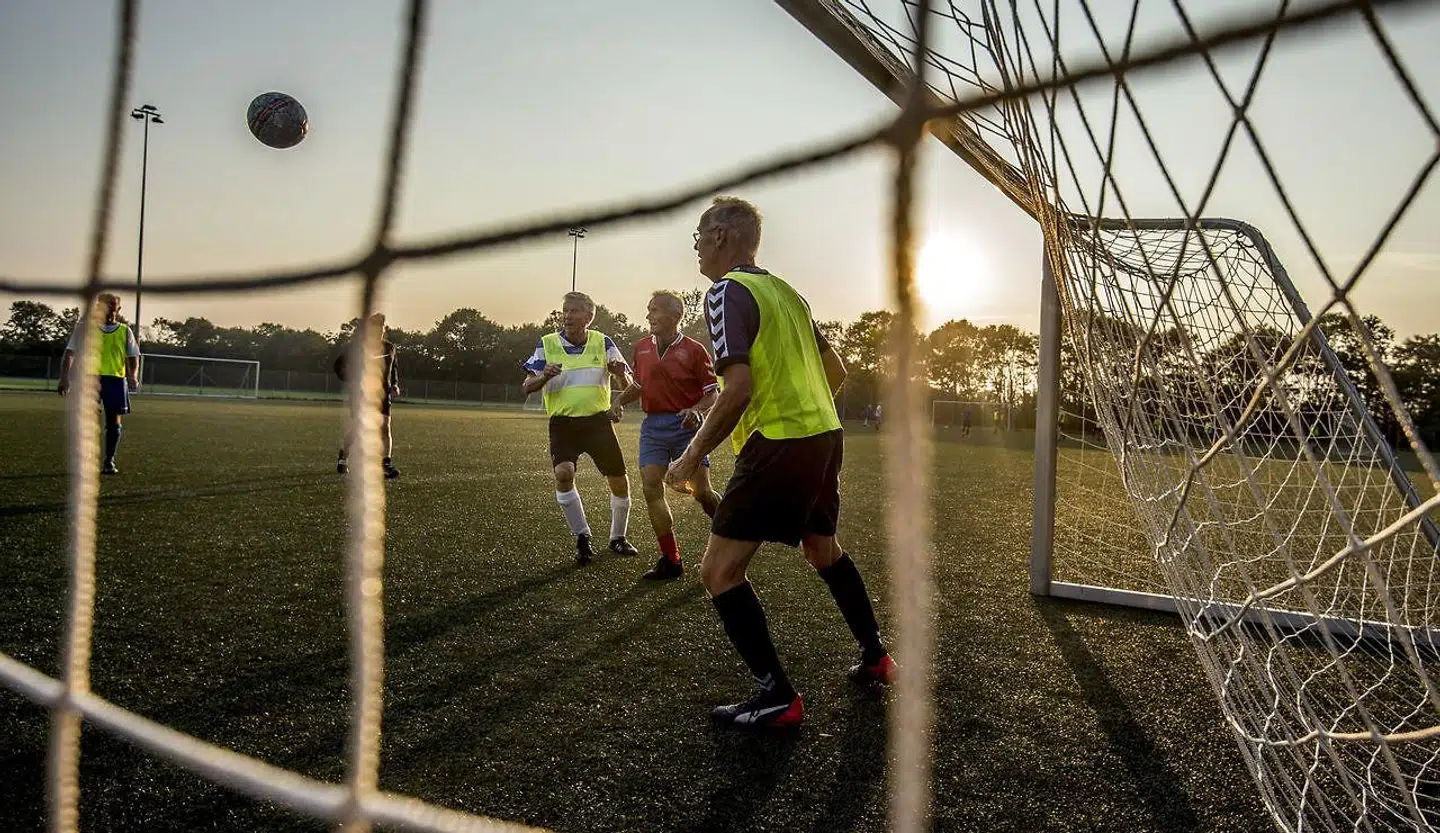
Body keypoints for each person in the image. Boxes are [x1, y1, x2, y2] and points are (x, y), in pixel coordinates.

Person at [666, 197, 895, 729]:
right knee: (822, 550)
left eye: (700, 235)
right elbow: (833, 370)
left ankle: (777, 696)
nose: (697, 246)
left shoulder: (725, 291)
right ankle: (876, 655)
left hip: (779, 443)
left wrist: (690, 456)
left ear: (722, 236)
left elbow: (739, 387)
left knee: (719, 572)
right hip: (824, 436)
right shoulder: (788, 293)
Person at [522, 291, 641, 565]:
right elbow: (527, 386)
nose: (567, 316)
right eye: (565, 310)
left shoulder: (604, 342)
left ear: (589, 317)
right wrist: (543, 376)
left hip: (598, 422)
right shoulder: (547, 343)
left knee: (619, 480)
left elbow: (630, 387)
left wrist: (620, 372)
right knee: (564, 473)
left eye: (574, 311)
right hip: (563, 424)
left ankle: (617, 537)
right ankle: (582, 536)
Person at [611, 290, 721, 581]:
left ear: (674, 316)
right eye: (648, 310)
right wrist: (619, 401)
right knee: (651, 488)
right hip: (653, 429)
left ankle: (731, 533)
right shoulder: (642, 347)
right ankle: (671, 560)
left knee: (703, 494)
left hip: (687, 430)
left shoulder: (696, 350)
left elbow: (713, 395)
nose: (648, 316)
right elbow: (639, 385)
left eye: (654, 310)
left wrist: (696, 411)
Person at [57, 293, 140, 475]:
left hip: (116, 381)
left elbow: (133, 357)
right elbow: (70, 353)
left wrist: (133, 376)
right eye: (104, 304)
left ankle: (109, 460)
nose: (109, 308)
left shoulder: (125, 331)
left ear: (118, 308)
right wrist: (64, 377)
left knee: (114, 422)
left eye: (112, 305)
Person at [333, 312, 402, 480]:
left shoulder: (390, 348)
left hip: (383, 395)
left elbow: (393, 370)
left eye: (381, 328)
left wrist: (395, 384)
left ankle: (385, 464)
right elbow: (339, 366)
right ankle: (344, 456)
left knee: (385, 426)